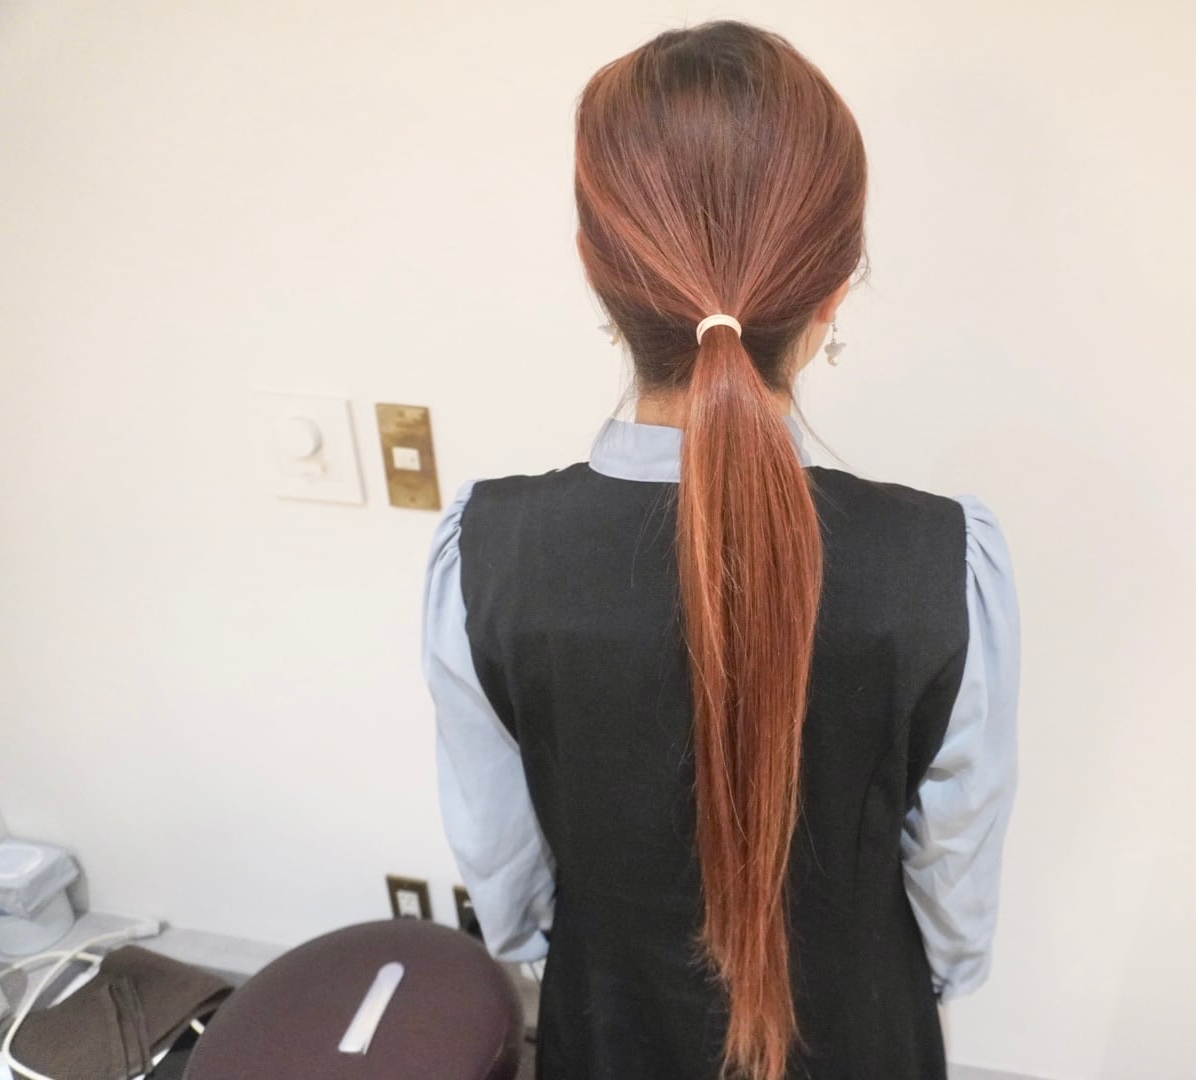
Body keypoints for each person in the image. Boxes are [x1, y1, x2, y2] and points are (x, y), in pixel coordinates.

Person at [422, 20, 1020, 1080]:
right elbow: (953, 877)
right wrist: (922, 980)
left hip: (610, 1026)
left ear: (596, 270)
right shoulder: (943, 559)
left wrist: (570, 958)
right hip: (858, 1030)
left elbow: (504, 876)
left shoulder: (486, 550)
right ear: (835, 288)